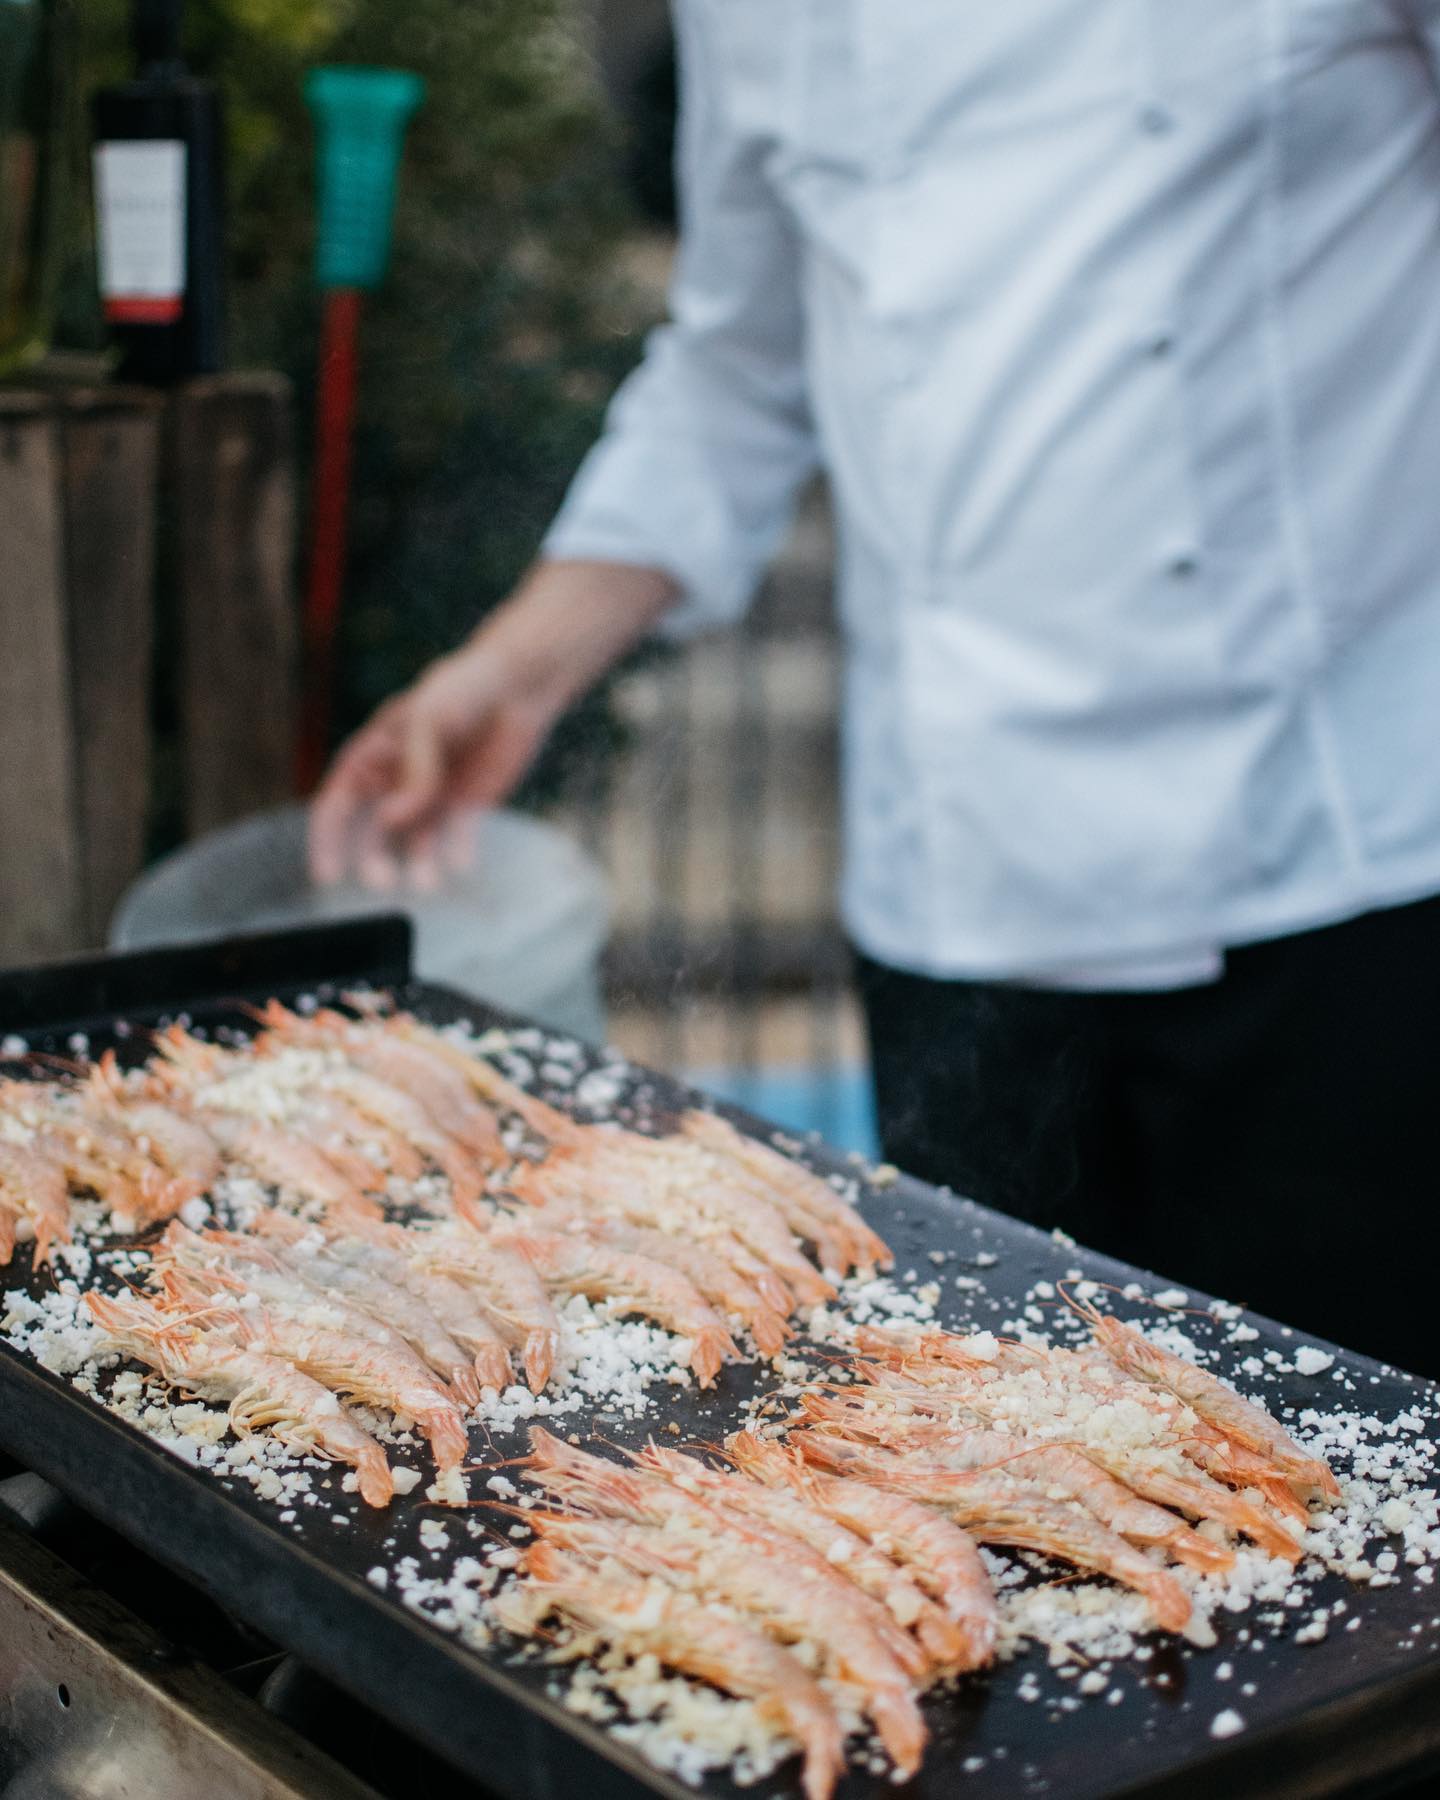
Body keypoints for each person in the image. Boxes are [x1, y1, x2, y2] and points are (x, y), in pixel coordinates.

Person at [311, 3, 1440, 1378]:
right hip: (962, 882)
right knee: (1013, 1468)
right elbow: (737, 367)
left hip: (1343, 868)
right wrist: (513, 667)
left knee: (1369, 1500)